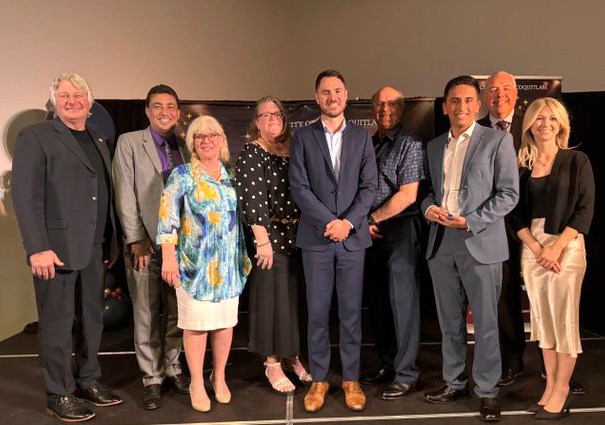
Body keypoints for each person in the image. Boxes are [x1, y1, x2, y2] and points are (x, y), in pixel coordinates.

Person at [12, 73, 122, 422]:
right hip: (54, 250)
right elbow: (24, 197)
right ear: (54, 102)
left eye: (78, 95)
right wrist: (36, 248)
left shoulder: (98, 138)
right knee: (58, 324)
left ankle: (87, 380)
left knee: (91, 320)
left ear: (91, 103)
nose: (71, 100)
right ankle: (58, 392)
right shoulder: (35, 136)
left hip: (94, 247)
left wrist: (110, 239)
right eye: (63, 95)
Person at [421, 75, 519, 422]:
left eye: (467, 100)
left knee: (487, 323)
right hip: (441, 244)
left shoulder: (497, 141)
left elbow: (509, 193)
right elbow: (429, 191)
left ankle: (488, 391)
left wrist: (471, 221)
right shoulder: (433, 146)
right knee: (449, 323)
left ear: (477, 106)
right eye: (454, 101)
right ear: (445, 106)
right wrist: (428, 208)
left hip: (480, 243)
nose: (461, 107)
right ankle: (453, 381)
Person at [289, 69, 378, 413]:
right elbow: (299, 187)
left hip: (352, 241)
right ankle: (320, 380)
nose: (332, 97)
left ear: (346, 94)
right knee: (317, 313)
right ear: (317, 98)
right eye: (325, 92)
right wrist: (330, 222)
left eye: (337, 91)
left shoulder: (362, 137)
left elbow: (369, 187)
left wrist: (348, 223)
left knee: (352, 313)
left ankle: (351, 378)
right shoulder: (304, 138)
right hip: (318, 239)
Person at [158, 115, 251, 413]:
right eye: (200, 136)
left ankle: (219, 376)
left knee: (224, 324)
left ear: (222, 140)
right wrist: (168, 259)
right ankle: (197, 381)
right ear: (193, 143)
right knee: (196, 327)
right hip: (194, 267)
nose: (207, 140)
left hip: (228, 266)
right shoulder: (181, 176)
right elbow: (167, 221)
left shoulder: (232, 175)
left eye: (213, 135)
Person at [510, 98, 594, 419]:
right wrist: (536, 248)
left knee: (564, 322)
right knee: (543, 323)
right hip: (533, 249)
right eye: (539, 118)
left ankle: (561, 390)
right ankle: (547, 390)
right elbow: (515, 217)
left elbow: (585, 209)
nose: (545, 124)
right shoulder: (523, 166)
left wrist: (556, 248)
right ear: (529, 125)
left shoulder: (576, 160)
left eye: (552, 119)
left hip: (566, 247)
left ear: (561, 124)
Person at [113, 84, 190, 410]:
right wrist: (135, 238)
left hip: (182, 247)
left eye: (171, 106)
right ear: (147, 110)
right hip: (146, 244)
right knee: (145, 312)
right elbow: (124, 193)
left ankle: (173, 367)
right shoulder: (130, 142)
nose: (164, 112)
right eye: (157, 106)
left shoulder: (186, 145)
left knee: (177, 313)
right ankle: (152, 377)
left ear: (177, 111)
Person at [235, 96, 311, 395]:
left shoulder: (291, 151)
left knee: (292, 301)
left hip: (298, 236)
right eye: (265, 115)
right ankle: (271, 362)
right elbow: (252, 201)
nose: (272, 119)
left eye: (277, 114)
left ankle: (292, 355)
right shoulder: (252, 153)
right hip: (269, 238)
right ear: (256, 121)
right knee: (271, 301)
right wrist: (262, 240)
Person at [360, 86, 425, 400]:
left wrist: (372, 219)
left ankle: (407, 373)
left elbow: (408, 195)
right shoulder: (370, 144)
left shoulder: (409, 144)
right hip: (370, 235)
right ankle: (387, 363)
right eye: (379, 104)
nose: (384, 109)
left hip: (399, 229)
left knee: (403, 305)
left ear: (402, 108)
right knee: (379, 304)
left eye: (392, 104)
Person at [478, 71, 526, 386]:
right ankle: (511, 359)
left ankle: (559, 367)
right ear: (485, 96)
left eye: (506, 89)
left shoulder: (533, 124)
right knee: (502, 297)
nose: (500, 95)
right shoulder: (474, 129)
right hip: (494, 226)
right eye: (493, 90)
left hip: (534, 226)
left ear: (517, 92)